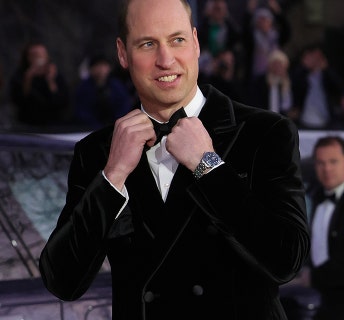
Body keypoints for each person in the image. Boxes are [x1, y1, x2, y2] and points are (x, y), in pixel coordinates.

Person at [38, 0, 309, 319]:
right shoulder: (97, 151)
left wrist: (208, 166)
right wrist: (112, 178)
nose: (165, 60)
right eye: (148, 44)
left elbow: (286, 260)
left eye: (177, 40)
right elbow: (62, 281)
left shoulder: (265, 132)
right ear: (123, 54)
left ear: (195, 42)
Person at [307, 136, 344, 320]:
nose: (326, 169)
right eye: (320, 163)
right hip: (324, 300)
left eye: (333, 162)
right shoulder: (314, 196)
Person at [9, 41, 70, 127]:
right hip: (28, 124)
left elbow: (62, 102)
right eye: (36, 55)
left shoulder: (55, 75)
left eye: (43, 54)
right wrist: (28, 79)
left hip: (54, 124)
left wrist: (51, 81)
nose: (40, 58)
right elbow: (19, 101)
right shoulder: (20, 76)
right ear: (28, 58)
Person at [291, 44, 344, 129]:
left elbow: (339, 88)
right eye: (312, 56)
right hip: (305, 120)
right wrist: (304, 67)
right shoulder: (301, 74)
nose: (315, 60)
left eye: (318, 56)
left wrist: (326, 69)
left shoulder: (326, 74)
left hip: (326, 120)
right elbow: (294, 87)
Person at [74, 54, 133, 129]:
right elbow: (82, 111)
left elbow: (124, 106)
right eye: (97, 66)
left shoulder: (116, 86)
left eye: (104, 65)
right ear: (91, 69)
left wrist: (116, 124)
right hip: (90, 129)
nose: (101, 69)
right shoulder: (84, 88)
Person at [246, 49, 293, 116]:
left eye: (280, 65)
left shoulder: (287, 82)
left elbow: (287, 106)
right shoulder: (260, 81)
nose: (277, 67)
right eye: (275, 64)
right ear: (270, 65)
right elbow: (254, 102)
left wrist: (285, 89)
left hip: (281, 120)